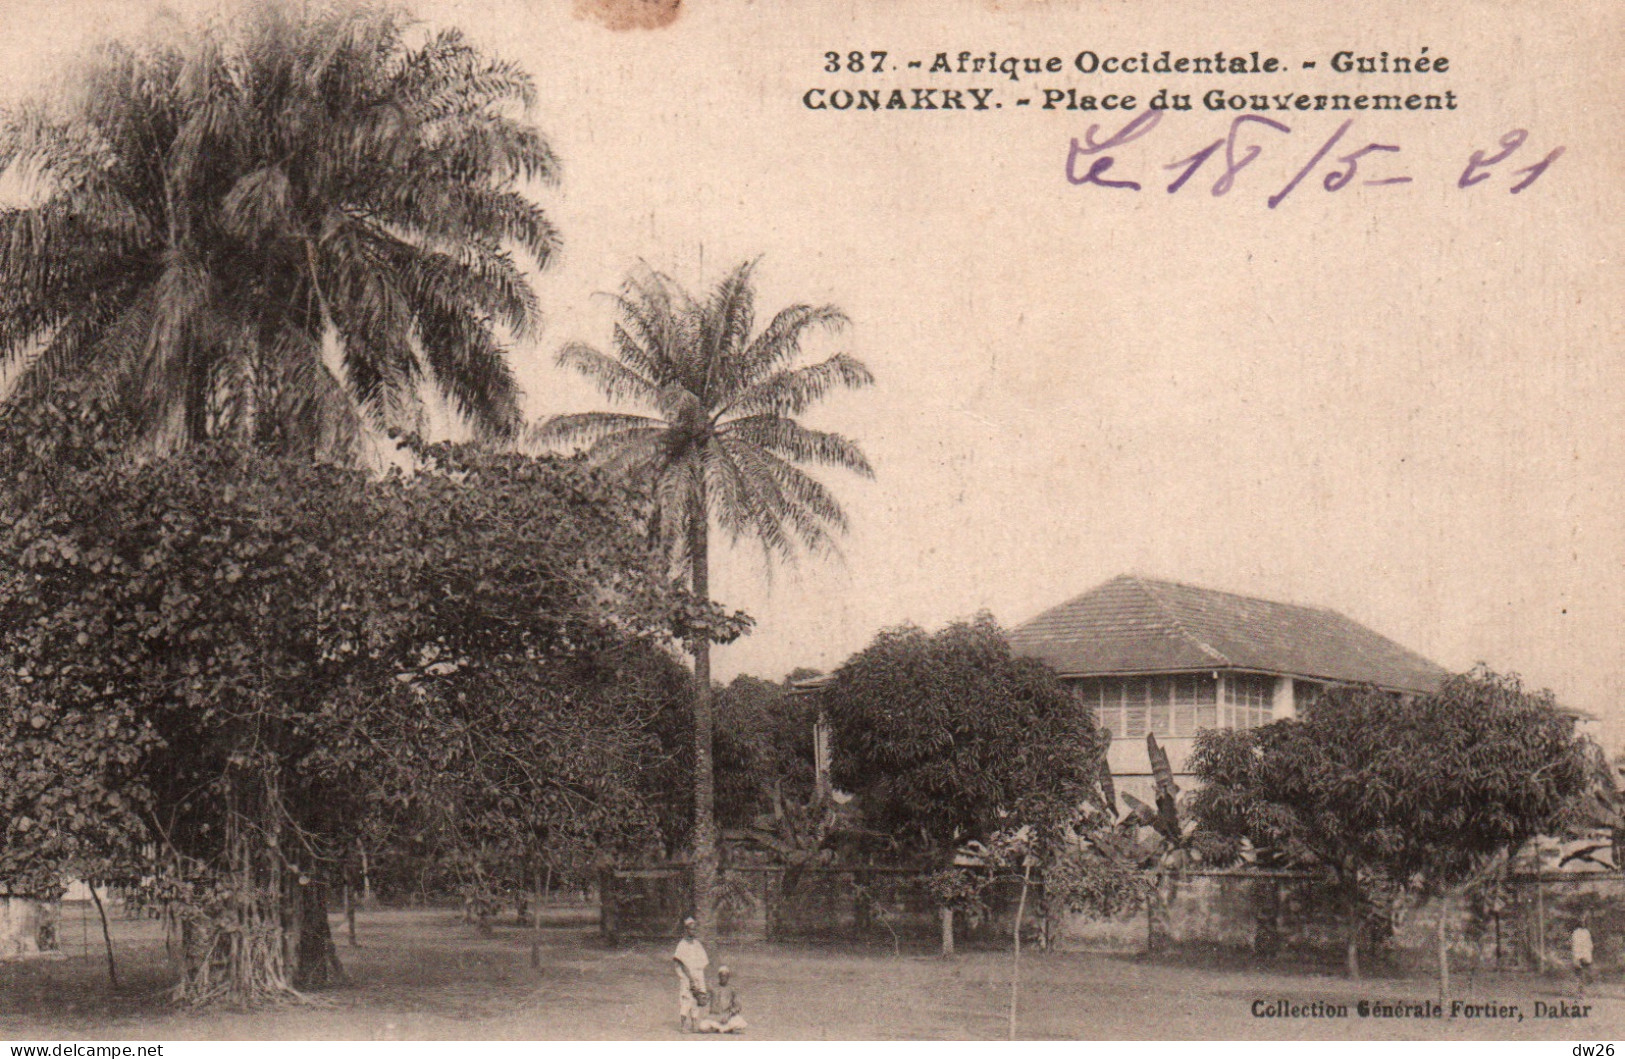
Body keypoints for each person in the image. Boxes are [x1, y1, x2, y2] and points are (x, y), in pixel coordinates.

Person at [672, 915, 709, 1032]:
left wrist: (699, 978)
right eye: (691, 929)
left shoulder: (697, 944)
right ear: (686, 930)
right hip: (687, 976)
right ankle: (683, 1025)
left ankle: (694, 1025)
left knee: (696, 1000)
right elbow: (681, 963)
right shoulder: (682, 944)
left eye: (695, 929)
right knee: (686, 999)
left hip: (698, 975)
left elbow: (703, 961)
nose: (693, 931)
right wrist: (690, 978)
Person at [698, 965, 748, 1034]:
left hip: (726, 1017)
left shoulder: (732, 989)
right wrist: (699, 995)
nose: (723, 978)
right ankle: (724, 1029)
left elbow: (738, 1006)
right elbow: (703, 1002)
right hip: (714, 1017)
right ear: (719, 976)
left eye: (725, 976)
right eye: (721, 976)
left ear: (728, 977)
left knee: (741, 1023)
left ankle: (721, 1028)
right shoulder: (713, 988)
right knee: (702, 1027)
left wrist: (728, 1015)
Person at [1572, 914, 1594, 997]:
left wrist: (1588, 953)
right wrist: (1576, 957)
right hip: (1579, 955)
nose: (1583, 924)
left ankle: (1583, 990)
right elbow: (1575, 945)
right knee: (1579, 973)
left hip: (1586, 954)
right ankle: (1579, 991)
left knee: (1585, 972)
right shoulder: (1576, 932)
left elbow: (1589, 944)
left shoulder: (1586, 932)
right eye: (1581, 922)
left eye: (1584, 922)